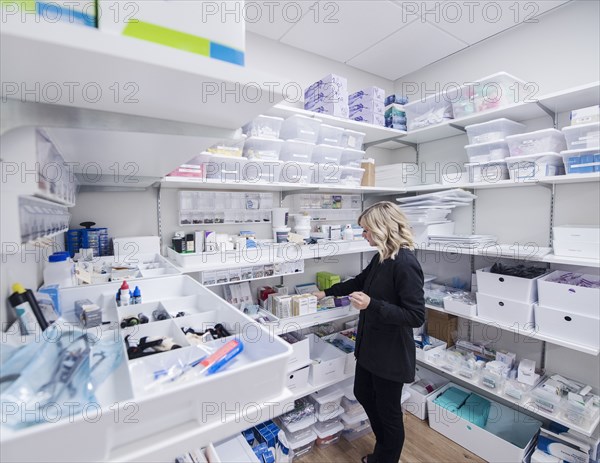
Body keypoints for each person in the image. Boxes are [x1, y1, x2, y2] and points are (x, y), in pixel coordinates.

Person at [313, 201, 425, 463]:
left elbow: (416, 316)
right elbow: (359, 282)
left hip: (390, 354)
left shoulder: (405, 263)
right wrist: (324, 293)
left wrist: (373, 304)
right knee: (363, 393)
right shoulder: (381, 257)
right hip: (370, 346)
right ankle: (383, 446)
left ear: (382, 228)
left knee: (389, 414)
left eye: (365, 230)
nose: (363, 235)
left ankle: (385, 457)